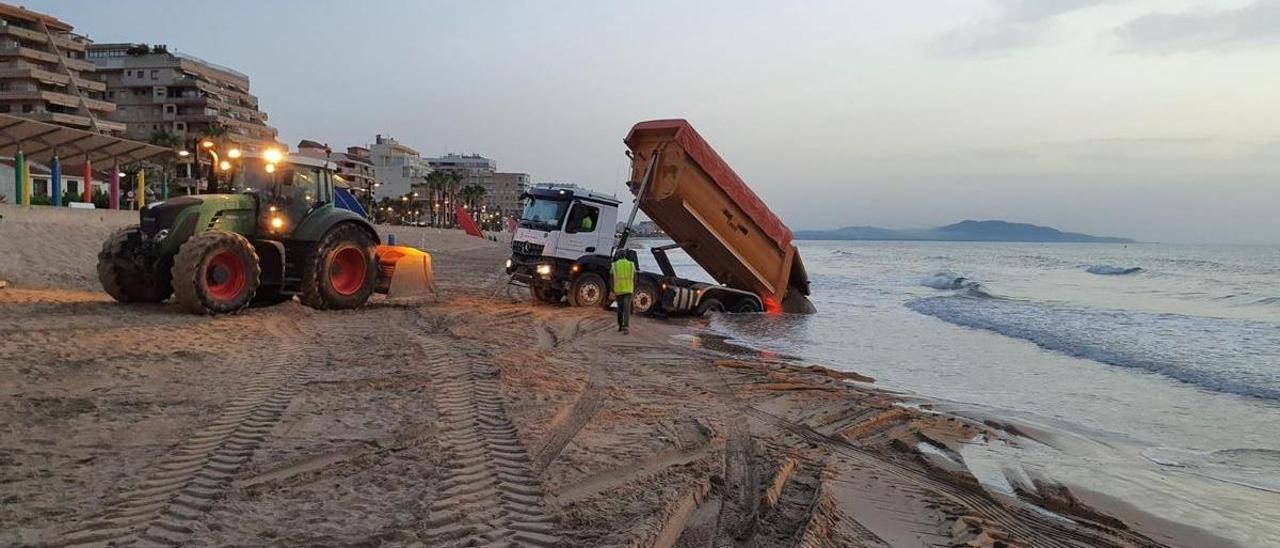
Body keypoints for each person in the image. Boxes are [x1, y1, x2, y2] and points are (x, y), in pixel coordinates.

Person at [610, 249, 636, 334]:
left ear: (618, 256)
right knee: (626, 309)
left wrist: (611, 290)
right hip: (628, 289)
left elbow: (611, 279)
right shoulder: (632, 265)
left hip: (618, 290)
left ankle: (620, 326)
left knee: (620, 308)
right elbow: (635, 278)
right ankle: (626, 326)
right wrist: (633, 288)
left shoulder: (614, 265)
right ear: (625, 255)